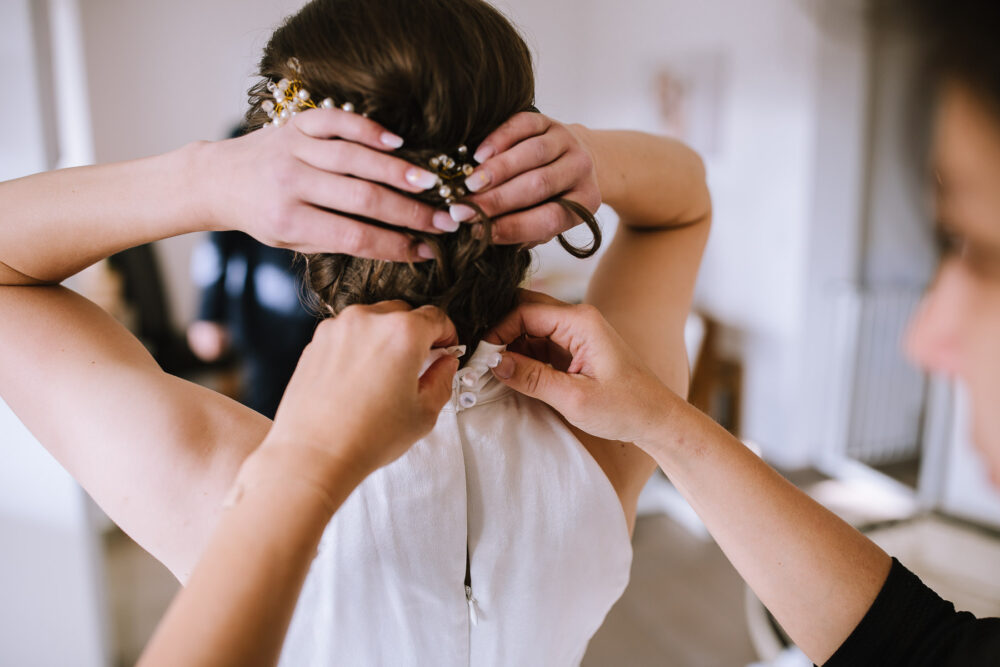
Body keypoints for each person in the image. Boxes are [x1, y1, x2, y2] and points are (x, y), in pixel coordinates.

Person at [0, 0, 709, 663]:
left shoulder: (220, 482)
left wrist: (203, 177)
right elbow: (683, 202)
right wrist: (588, 152)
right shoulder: (609, 435)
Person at [478, 1, 1000, 664]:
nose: (924, 339)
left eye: (979, 249)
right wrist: (659, 420)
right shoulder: (584, 463)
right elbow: (921, 649)